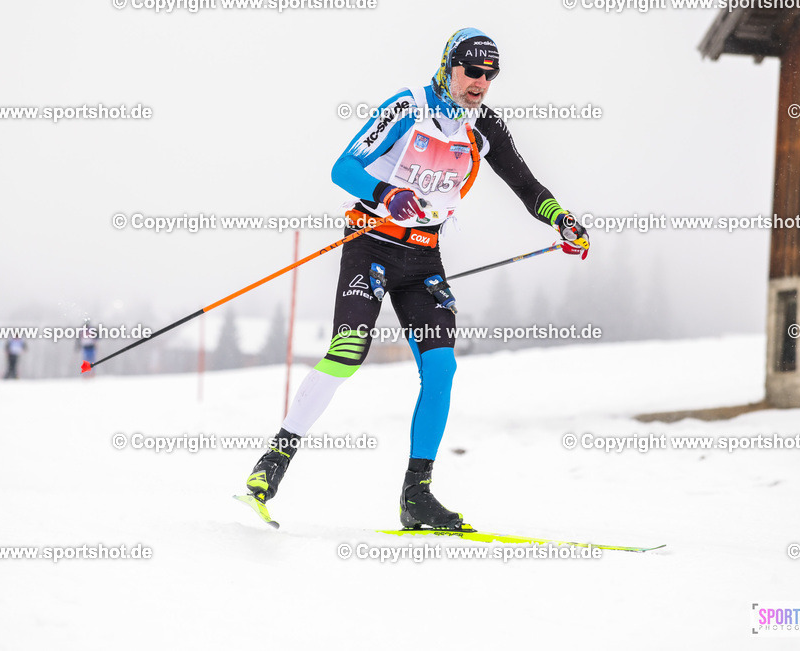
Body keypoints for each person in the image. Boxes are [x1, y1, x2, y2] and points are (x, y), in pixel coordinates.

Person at [241, 28, 590, 530]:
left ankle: (416, 495)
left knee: (442, 369)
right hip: (371, 244)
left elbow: (525, 184)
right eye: (472, 71)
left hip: (423, 260)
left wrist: (562, 219)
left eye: (490, 75)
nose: (480, 83)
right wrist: (387, 193)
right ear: (449, 66)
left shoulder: (484, 125)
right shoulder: (406, 108)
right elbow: (343, 167)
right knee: (348, 350)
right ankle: (270, 467)